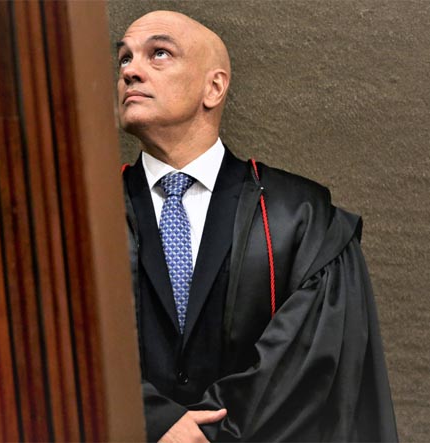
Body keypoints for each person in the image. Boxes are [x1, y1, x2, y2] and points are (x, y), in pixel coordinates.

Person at [118, 10, 398, 442]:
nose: (130, 71)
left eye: (158, 53)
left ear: (214, 87)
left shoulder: (300, 218)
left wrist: (207, 434)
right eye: (124, 58)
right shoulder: (75, 217)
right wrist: (153, 420)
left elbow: (308, 366)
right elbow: (44, 350)